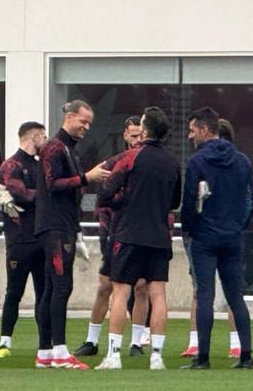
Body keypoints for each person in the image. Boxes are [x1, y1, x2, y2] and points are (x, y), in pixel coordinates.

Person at [95, 107, 183, 371]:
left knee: (121, 292)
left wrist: (125, 199)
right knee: (158, 293)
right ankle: (156, 356)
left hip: (129, 234)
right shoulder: (172, 162)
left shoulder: (131, 157)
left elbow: (105, 194)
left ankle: (114, 355)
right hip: (159, 236)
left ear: (144, 130)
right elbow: (174, 201)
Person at [34, 100, 109, 370]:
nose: (86, 127)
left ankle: (45, 352)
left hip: (61, 226)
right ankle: (60, 351)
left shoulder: (67, 149)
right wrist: (87, 178)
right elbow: (52, 184)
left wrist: (77, 232)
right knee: (60, 287)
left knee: (51, 289)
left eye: (89, 123)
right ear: (69, 117)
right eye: (83, 121)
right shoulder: (55, 147)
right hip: (55, 227)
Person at [180, 106, 253, 370]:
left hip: (204, 236)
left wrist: (189, 229)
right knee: (236, 296)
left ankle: (203, 356)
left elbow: (189, 201)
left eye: (192, 130)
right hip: (232, 235)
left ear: (204, 129)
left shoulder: (197, 162)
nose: (190, 136)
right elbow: (250, 200)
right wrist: (238, 225)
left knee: (205, 295)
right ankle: (246, 355)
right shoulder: (242, 160)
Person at [75, 116, 149, 359]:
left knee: (141, 287)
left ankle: (136, 342)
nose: (138, 139)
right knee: (106, 286)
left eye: (141, 135)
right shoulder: (115, 163)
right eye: (134, 135)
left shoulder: (151, 162)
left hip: (143, 232)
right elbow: (102, 196)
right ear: (125, 135)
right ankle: (92, 340)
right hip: (115, 231)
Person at [0, 121, 49, 362]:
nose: (46, 141)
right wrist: (46, 195)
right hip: (19, 240)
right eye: (43, 136)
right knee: (14, 292)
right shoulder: (11, 165)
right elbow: (20, 194)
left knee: (44, 292)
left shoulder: (41, 165)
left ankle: (46, 343)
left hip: (42, 238)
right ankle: (4, 342)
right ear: (33, 137)